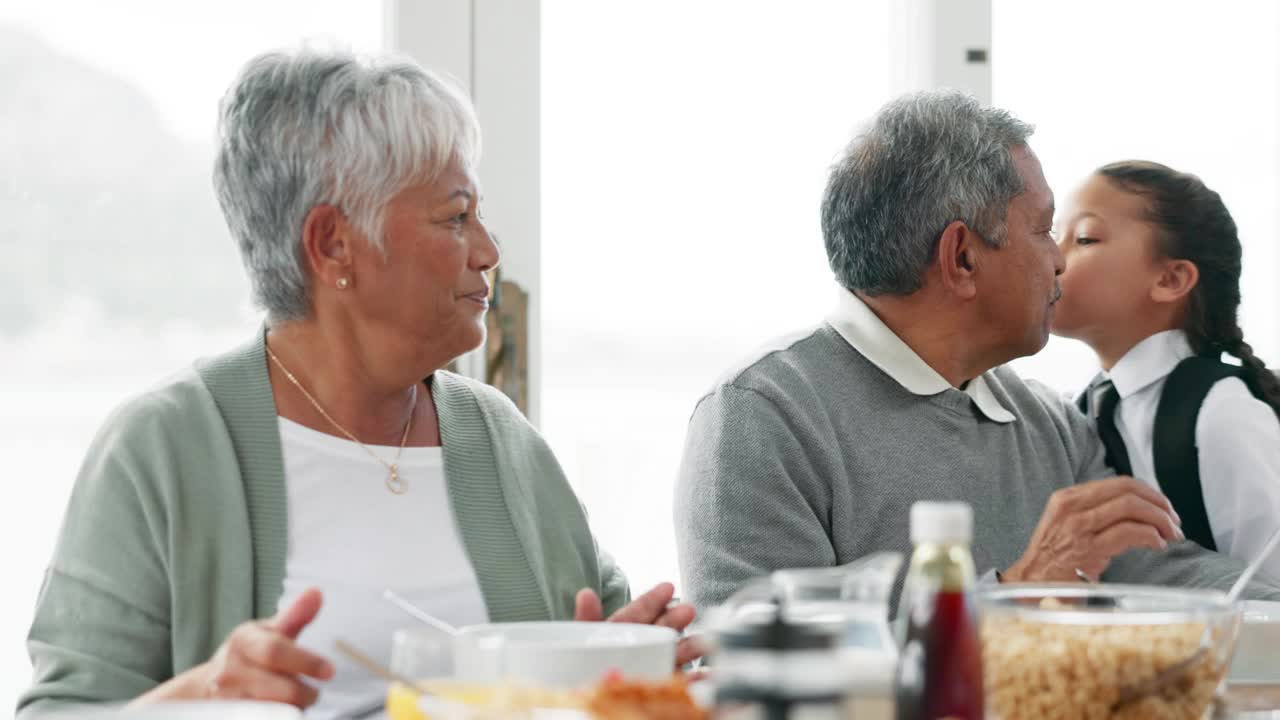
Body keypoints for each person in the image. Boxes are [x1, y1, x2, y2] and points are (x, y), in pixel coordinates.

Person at [19, 49, 696, 719]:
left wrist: (619, 674)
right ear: (333, 244)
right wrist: (199, 699)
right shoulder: (162, 446)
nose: (488, 251)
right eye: (455, 217)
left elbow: (600, 660)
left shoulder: (504, 441)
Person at [673, 90, 1280, 612]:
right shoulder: (759, 417)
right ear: (962, 258)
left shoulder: (1050, 425)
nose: (1061, 259)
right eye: (1044, 229)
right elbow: (754, 669)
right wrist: (1020, 590)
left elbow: (1163, 574)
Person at [1051, 160, 1280, 580]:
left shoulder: (1222, 413)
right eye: (1051, 236)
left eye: (1084, 238)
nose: (1052, 255)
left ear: (1171, 279)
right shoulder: (1080, 412)